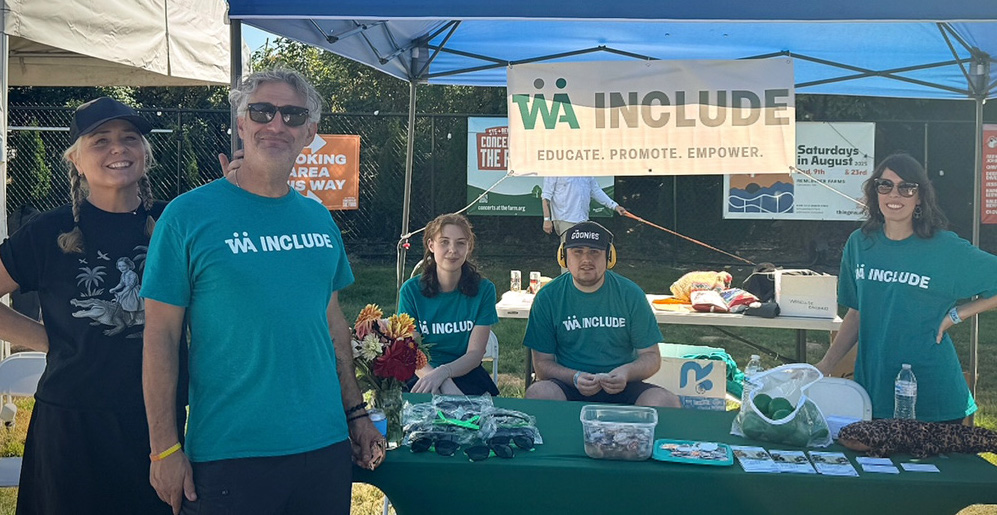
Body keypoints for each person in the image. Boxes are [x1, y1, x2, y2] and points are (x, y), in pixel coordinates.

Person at [141, 68, 383, 515]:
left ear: (310, 132)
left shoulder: (318, 219)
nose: (276, 124)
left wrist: (356, 414)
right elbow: (160, 338)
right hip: (231, 452)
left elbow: (333, 327)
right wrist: (164, 448)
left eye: (293, 115)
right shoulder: (186, 217)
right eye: (262, 111)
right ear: (240, 123)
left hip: (324, 446)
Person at [0, 97, 187, 514]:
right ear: (76, 160)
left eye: (129, 138)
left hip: (159, 425)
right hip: (71, 426)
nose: (117, 148)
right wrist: (52, 341)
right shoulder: (47, 232)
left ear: (146, 153)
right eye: (100, 140)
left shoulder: (177, 223)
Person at [815, 153, 997, 423]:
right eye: (885, 185)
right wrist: (825, 365)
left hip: (932, 393)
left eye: (906, 187)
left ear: (920, 196)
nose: (894, 194)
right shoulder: (860, 244)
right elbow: (856, 313)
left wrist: (956, 315)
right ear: (875, 192)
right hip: (873, 391)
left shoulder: (944, 248)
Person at [523, 221, 680, 407]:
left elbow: (652, 357)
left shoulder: (630, 293)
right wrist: (574, 377)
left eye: (594, 252)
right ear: (564, 257)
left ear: (609, 257)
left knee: (666, 402)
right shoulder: (548, 297)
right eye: (577, 252)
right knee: (539, 393)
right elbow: (542, 364)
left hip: (623, 385)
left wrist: (626, 373)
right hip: (569, 384)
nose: (586, 260)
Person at [398, 213, 500, 396]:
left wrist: (444, 373)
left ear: (468, 247)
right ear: (431, 245)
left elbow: (475, 354)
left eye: (460, 243)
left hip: (466, 373)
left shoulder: (484, 290)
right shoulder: (411, 291)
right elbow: (411, 352)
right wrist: (440, 382)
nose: (452, 250)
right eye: (444, 242)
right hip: (422, 374)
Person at [542, 176, 627, 272]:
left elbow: (596, 191)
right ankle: (567, 283)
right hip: (565, 219)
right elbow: (546, 197)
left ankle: (581, 283)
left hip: (583, 219)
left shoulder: (586, 171)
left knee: (581, 254)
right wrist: (547, 219)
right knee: (570, 254)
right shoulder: (554, 170)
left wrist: (615, 206)